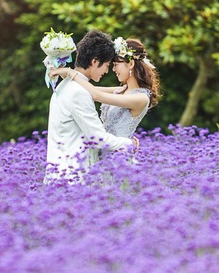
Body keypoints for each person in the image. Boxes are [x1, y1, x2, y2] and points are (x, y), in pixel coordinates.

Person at [44, 29, 140, 183]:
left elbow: (94, 92)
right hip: (73, 179)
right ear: (95, 61)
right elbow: (98, 138)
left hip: (59, 175)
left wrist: (118, 90)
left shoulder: (66, 85)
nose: (107, 71)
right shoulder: (78, 93)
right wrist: (129, 143)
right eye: (107, 65)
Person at [49, 37, 161, 138]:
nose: (113, 70)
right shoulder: (122, 90)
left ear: (131, 64)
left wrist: (70, 72)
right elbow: (87, 89)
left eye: (116, 65)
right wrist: (63, 73)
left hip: (118, 155)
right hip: (106, 150)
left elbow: (97, 95)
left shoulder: (141, 98)